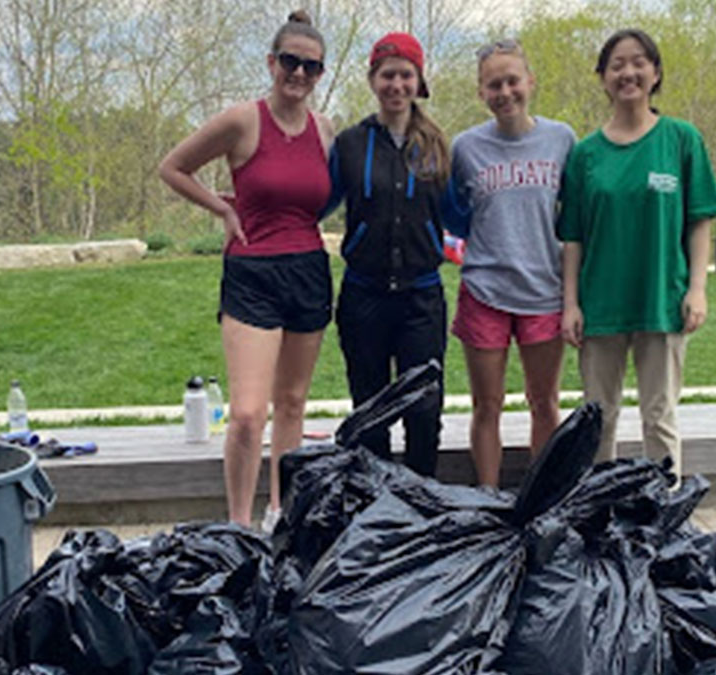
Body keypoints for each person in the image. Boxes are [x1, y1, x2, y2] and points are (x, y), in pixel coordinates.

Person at [158, 10, 334, 530]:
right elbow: (172, 167)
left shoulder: (325, 130)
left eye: (311, 66)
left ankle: (281, 514)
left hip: (308, 270)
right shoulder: (243, 120)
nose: (299, 74)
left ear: (321, 74)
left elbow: (321, 198)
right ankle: (239, 524)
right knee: (247, 414)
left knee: (294, 403)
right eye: (290, 62)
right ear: (271, 62)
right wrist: (224, 209)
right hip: (253, 273)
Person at [558, 28, 716, 484]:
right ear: (603, 78)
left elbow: (699, 220)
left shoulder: (681, 140)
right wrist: (570, 303)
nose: (627, 72)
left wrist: (697, 289)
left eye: (638, 62)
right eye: (616, 64)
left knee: (659, 416)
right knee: (599, 419)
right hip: (600, 306)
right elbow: (572, 236)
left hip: (661, 300)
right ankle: (598, 514)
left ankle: (664, 514)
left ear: (655, 73)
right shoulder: (586, 155)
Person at [442, 39, 575, 487]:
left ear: (530, 82)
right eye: (493, 84)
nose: (505, 92)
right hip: (485, 290)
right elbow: (451, 212)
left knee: (544, 401)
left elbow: (573, 219)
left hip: (544, 289)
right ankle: (489, 498)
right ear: (482, 92)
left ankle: (543, 495)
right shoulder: (465, 148)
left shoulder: (561, 139)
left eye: (512, 81)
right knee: (487, 405)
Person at [323, 32, 450, 477]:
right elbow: (319, 201)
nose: (396, 85)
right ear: (373, 80)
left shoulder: (435, 145)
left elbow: (458, 213)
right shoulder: (351, 144)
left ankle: (422, 500)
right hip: (364, 297)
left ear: (418, 81)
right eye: (387, 75)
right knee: (371, 406)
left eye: (405, 75)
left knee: (424, 407)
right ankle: (375, 504)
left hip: (421, 298)